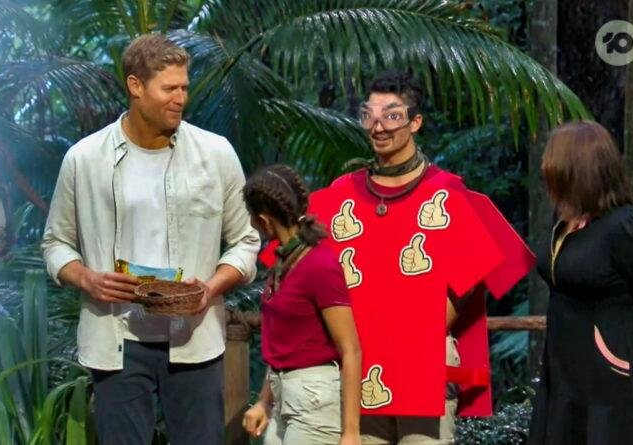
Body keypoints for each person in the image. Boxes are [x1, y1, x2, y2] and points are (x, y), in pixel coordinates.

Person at [259, 71, 535, 444]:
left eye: (391, 115)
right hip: (358, 370)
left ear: (415, 122)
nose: (378, 127)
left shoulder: (447, 193)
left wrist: (417, 336)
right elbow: (291, 263)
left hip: (424, 368)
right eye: (369, 115)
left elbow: (474, 276)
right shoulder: (340, 195)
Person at [41, 33, 260, 445]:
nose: (181, 99)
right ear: (136, 86)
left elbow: (246, 240)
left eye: (184, 88)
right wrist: (87, 279)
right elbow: (55, 243)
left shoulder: (216, 154)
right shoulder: (85, 159)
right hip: (115, 339)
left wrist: (210, 287)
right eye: (169, 89)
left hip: (194, 337)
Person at [528, 120, 633, 445]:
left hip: (611, 377)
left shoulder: (623, 228)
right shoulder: (563, 220)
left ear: (577, 170)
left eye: (552, 161)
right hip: (564, 369)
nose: (544, 168)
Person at [240, 164, 362, 445]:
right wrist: (264, 401)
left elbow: (351, 349)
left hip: (314, 400)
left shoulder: (319, 266)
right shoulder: (283, 262)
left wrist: (351, 433)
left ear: (264, 220)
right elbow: (285, 345)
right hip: (283, 395)